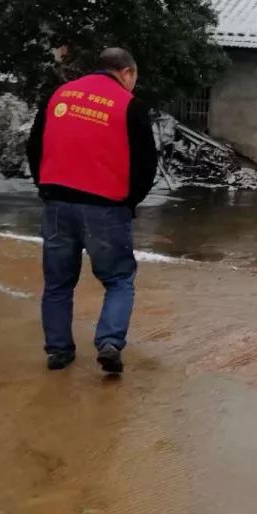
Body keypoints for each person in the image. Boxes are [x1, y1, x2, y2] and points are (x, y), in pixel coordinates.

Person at [27, 48, 158, 374]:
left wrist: (45, 188)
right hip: (106, 207)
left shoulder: (59, 95)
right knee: (118, 280)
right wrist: (130, 201)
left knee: (58, 283)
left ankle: (58, 351)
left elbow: (34, 145)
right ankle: (109, 343)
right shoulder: (130, 106)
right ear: (126, 72)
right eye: (134, 79)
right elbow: (146, 164)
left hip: (57, 203)